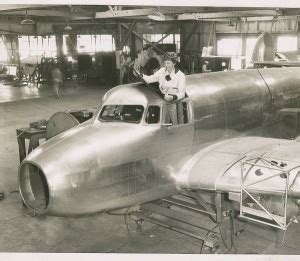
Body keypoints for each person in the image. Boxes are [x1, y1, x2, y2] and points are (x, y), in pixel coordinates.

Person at [141, 52, 186, 125]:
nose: (166, 66)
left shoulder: (180, 76)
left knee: (176, 125)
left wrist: (173, 97)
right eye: (165, 63)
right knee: (163, 124)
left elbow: (182, 93)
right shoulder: (162, 71)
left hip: (174, 102)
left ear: (174, 63)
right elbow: (151, 79)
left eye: (168, 63)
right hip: (163, 101)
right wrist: (141, 76)